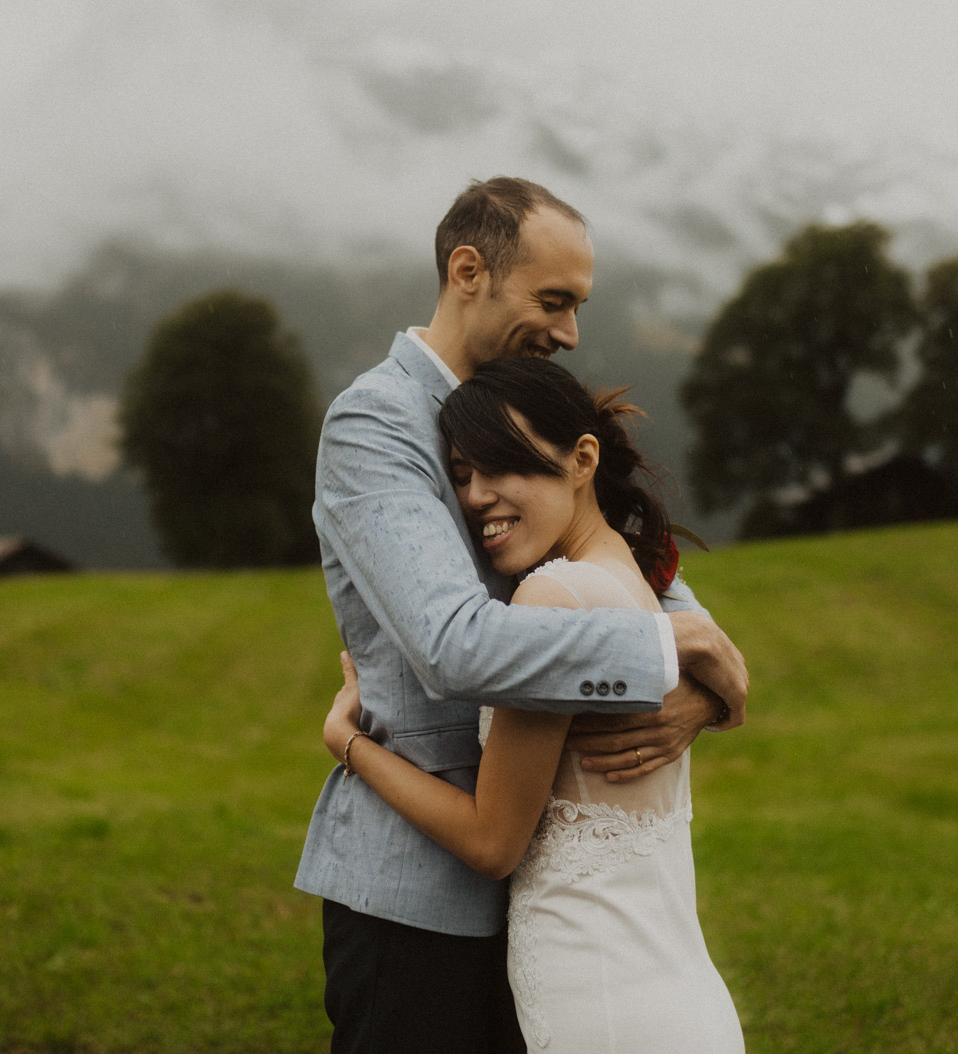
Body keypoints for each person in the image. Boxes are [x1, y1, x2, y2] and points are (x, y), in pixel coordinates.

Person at [294, 176, 748, 1054]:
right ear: (469, 270)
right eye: (554, 301)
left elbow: (634, 563)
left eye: (577, 306)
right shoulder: (374, 423)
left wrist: (704, 685)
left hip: (546, 906)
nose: (571, 334)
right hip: (416, 899)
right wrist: (665, 648)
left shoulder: (526, 413)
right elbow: (451, 644)